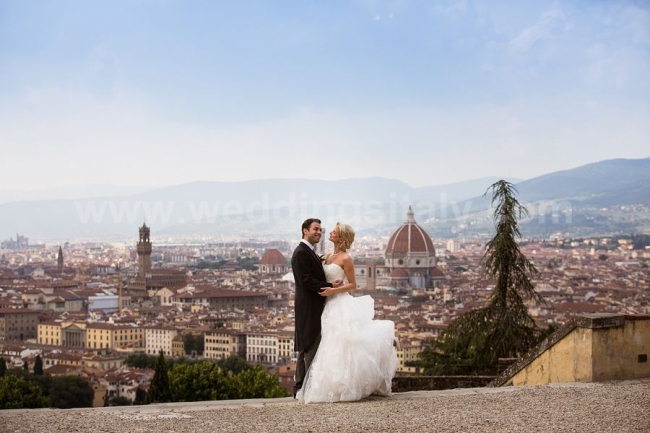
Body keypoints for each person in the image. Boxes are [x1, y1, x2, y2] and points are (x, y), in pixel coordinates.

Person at [297, 222, 399, 403]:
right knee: (327, 345)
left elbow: (353, 284)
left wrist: (331, 291)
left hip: (337, 303)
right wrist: (327, 288)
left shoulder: (346, 258)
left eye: (334, 231)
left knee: (339, 344)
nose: (329, 232)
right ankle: (329, 385)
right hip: (325, 305)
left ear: (341, 237)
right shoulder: (327, 255)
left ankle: (343, 386)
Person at [291, 218, 342, 399]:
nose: (319, 232)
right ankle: (306, 388)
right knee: (310, 347)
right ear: (305, 230)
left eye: (321, 230)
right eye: (316, 229)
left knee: (306, 346)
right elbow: (306, 281)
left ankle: (300, 388)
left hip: (312, 305)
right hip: (309, 306)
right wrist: (329, 285)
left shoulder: (308, 252)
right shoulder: (301, 253)